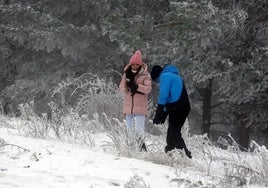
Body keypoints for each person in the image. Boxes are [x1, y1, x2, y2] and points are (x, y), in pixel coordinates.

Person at [150, 64, 192, 158]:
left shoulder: (165, 76)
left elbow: (164, 96)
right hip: (180, 107)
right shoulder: (173, 75)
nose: (158, 83)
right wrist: (163, 114)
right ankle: (170, 152)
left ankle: (185, 156)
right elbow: (170, 99)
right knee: (172, 131)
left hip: (179, 108)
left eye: (157, 81)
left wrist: (159, 112)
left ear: (157, 75)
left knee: (174, 131)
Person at [119, 50, 152, 151]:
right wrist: (126, 86)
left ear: (140, 65)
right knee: (129, 131)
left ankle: (142, 150)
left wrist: (136, 86)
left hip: (140, 108)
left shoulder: (145, 76)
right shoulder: (126, 74)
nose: (134, 66)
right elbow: (121, 87)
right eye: (132, 64)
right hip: (128, 108)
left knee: (139, 131)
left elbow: (148, 89)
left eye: (136, 65)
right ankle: (130, 149)